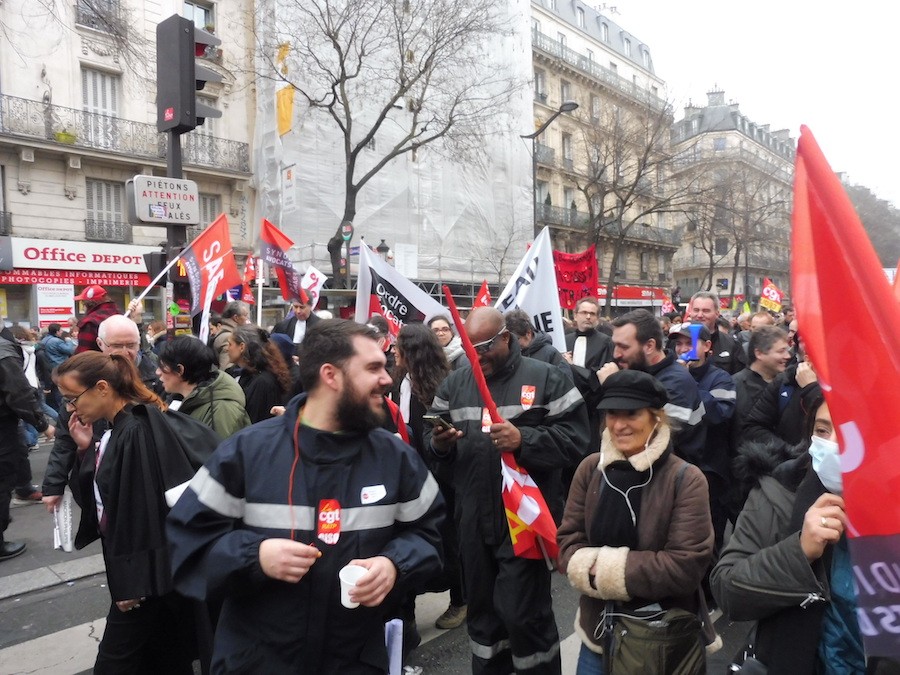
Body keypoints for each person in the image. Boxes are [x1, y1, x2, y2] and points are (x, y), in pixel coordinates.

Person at [167, 319, 444, 673]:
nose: (388, 378)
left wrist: (394, 564)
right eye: (373, 367)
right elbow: (187, 545)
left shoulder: (396, 457)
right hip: (260, 661)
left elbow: (431, 537)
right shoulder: (246, 452)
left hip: (357, 661)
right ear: (331, 375)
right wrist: (256, 555)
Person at [427, 306, 588, 675]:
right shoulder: (455, 383)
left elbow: (577, 440)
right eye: (470, 348)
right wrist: (440, 444)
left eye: (484, 347)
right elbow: (431, 446)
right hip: (472, 519)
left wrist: (524, 439)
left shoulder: (547, 377)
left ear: (506, 337)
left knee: (524, 614)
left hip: (523, 521)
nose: (477, 356)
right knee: (482, 617)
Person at [712, 393, 898, 673]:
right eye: (822, 430)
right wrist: (797, 552)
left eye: (848, 432)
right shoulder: (779, 491)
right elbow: (728, 590)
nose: (833, 444)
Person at [57, 351, 218, 673]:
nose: (70, 409)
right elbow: (105, 496)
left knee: (116, 662)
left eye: (73, 399)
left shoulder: (134, 431)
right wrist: (85, 449)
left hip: (146, 578)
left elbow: (140, 514)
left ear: (102, 387)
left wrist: (130, 583)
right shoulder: (120, 427)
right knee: (167, 655)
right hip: (155, 574)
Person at [558, 370, 714, 674]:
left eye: (631, 413)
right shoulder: (591, 469)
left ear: (656, 417)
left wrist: (599, 567)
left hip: (660, 639)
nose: (618, 425)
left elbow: (684, 567)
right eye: (611, 414)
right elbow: (567, 543)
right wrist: (594, 563)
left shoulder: (685, 479)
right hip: (597, 634)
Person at [42, 315, 161, 513]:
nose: (125, 352)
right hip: (102, 490)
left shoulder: (156, 378)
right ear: (100, 344)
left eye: (131, 345)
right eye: (116, 345)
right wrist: (54, 484)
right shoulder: (80, 381)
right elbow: (64, 440)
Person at [390, 323, 465, 631]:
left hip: (438, 474)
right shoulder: (396, 379)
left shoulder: (443, 385)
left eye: (398, 348)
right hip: (406, 471)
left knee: (450, 539)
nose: (393, 352)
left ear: (413, 353)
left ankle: (461, 598)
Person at [601, 309, 707, 468]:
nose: (616, 354)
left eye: (623, 347)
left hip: (668, 480)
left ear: (649, 346)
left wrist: (614, 387)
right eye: (614, 345)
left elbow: (652, 438)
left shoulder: (676, 383)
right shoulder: (637, 372)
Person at [668, 323, 736, 551]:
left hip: (709, 470)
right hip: (675, 464)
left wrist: (686, 383)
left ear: (707, 346)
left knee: (707, 538)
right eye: (679, 344)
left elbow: (719, 413)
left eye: (689, 343)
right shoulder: (669, 375)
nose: (682, 349)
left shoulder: (721, 378)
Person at [0, 325, 55, 559]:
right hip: (3, 427)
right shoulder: (4, 351)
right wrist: (43, 425)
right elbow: (18, 393)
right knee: (3, 479)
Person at [156, 335, 251, 439]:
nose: (158, 372)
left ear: (180, 370)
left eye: (163, 367)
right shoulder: (180, 399)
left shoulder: (222, 411)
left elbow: (218, 452)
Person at [563, 297, 615, 456]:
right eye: (584, 312)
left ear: (597, 318)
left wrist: (572, 367)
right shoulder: (565, 340)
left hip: (592, 409)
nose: (588, 317)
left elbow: (598, 377)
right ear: (575, 315)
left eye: (592, 314)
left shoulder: (605, 342)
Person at [731, 325, 791, 444]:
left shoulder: (787, 385)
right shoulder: (735, 385)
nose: (787, 356)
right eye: (781, 351)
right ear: (759, 353)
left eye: (787, 350)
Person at [227, 324, 291, 423]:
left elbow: (255, 420)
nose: (227, 349)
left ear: (242, 347)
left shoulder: (262, 382)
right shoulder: (240, 373)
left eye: (230, 344)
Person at [689, 291, 746, 375]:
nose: (700, 315)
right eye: (696, 310)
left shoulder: (732, 344)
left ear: (717, 313)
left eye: (706, 311)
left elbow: (739, 378)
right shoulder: (676, 341)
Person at [505, 309, 569, 375]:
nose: (512, 343)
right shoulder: (509, 356)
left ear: (528, 333)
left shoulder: (551, 354)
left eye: (516, 339)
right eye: (508, 340)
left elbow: (564, 381)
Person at [74, 285, 119, 354]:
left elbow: (83, 355)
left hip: (98, 363)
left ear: (87, 304)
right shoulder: (119, 315)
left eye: (83, 303)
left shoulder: (90, 323)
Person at [212, 301, 250, 371]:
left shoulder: (227, 333)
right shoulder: (228, 337)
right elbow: (226, 369)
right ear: (236, 318)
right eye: (245, 315)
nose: (247, 319)